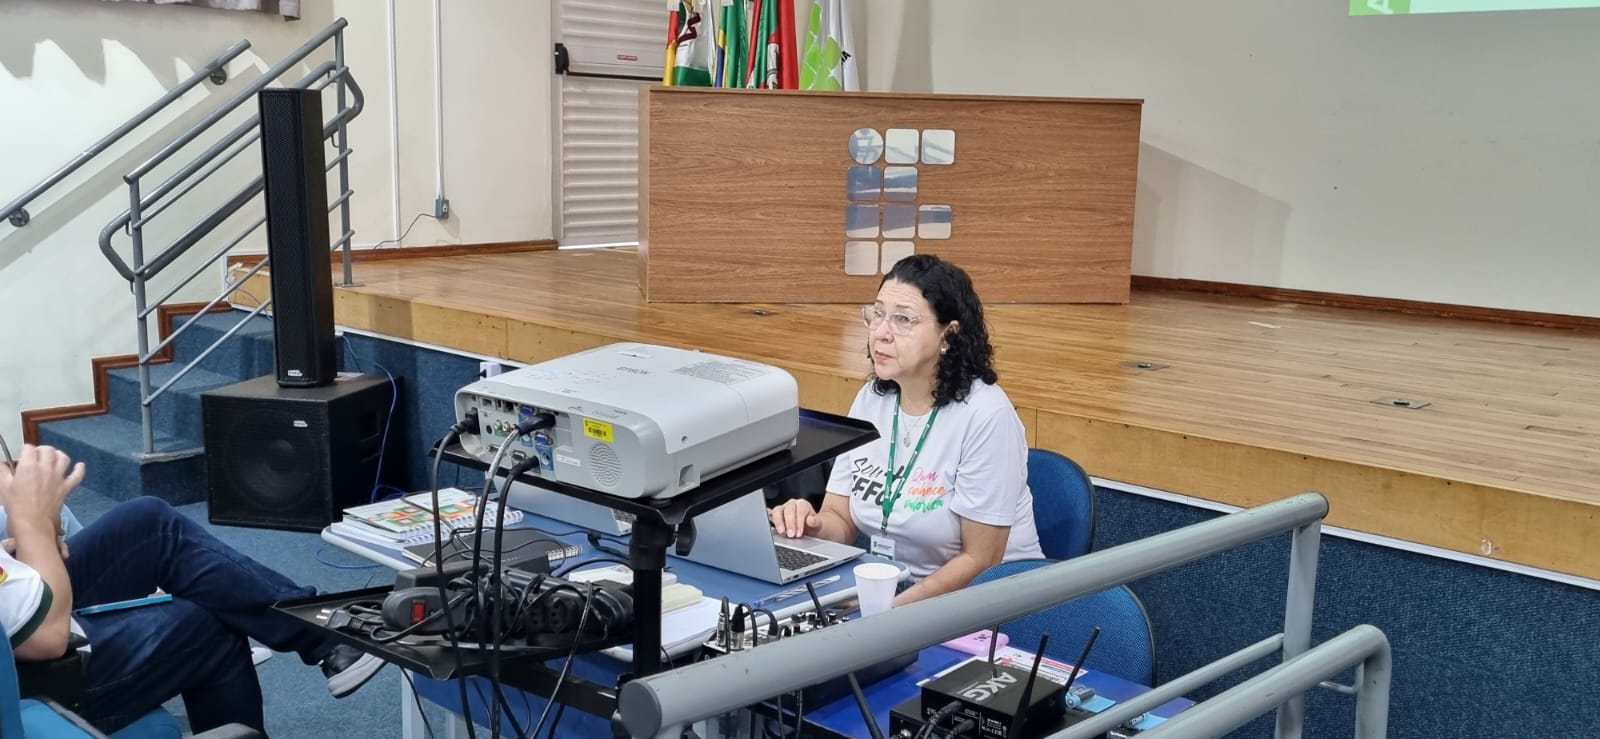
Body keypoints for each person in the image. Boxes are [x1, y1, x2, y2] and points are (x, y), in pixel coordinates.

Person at [0, 444, 383, 735]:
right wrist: (34, 526)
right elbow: (47, 638)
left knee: (147, 522)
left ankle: (324, 638)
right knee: (208, 624)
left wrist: (20, 538)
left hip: (14, 604)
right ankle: (328, 639)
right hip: (31, 676)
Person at [770, 254, 1044, 607]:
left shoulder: (987, 416)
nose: (881, 332)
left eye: (903, 319)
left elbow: (981, 561)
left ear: (949, 334)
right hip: (894, 589)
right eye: (877, 313)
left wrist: (888, 612)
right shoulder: (872, 399)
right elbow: (841, 517)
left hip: (988, 603)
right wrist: (810, 524)